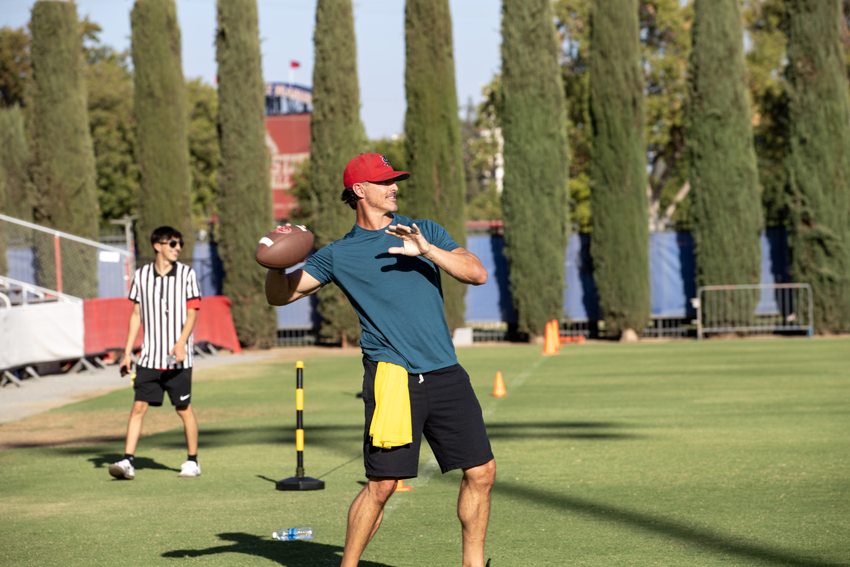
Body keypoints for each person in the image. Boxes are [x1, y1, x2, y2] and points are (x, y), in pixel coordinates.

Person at [265, 153, 496, 567]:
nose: (394, 187)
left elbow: (476, 272)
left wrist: (428, 251)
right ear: (359, 191)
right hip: (393, 377)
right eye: (385, 181)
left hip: (445, 371)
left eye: (395, 181)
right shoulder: (338, 255)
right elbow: (281, 295)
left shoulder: (423, 229)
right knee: (382, 483)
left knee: (481, 471)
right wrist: (276, 261)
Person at [109, 226, 202, 481]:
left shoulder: (186, 274)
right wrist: (127, 353)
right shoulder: (141, 276)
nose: (178, 248)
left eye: (180, 243)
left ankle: (192, 461)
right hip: (150, 357)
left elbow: (193, 311)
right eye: (173, 243)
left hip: (179, 358)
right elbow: (136, 315)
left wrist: (182, 342)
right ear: (157, 245)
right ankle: (128, 461)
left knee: (183, 408)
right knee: (138, 407)